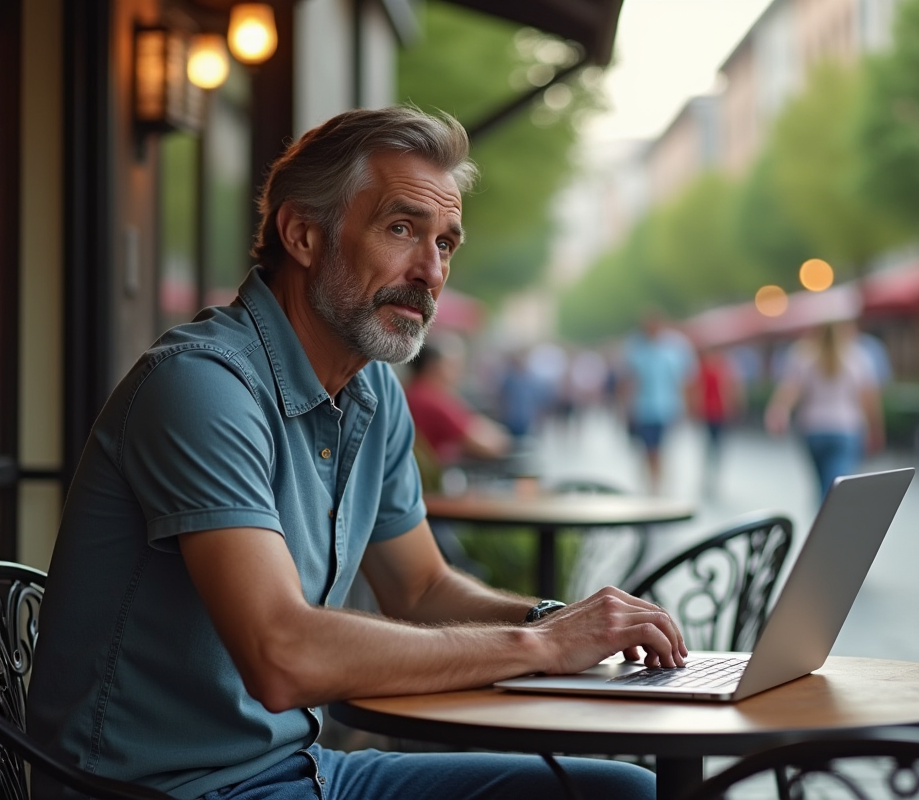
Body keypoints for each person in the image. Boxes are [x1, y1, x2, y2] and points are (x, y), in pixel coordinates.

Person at [26, 107, 681, 800]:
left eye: (445, 243)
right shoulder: (202, 386)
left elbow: (420, 589)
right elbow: (281, 654)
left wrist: (552, 620)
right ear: (303, 234)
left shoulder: (374, 393)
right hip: (165, 789)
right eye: (401, 229)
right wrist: (542, 649)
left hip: (300, 770)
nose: (430, 271)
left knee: (624, 793)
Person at [765, 322, 884, 499]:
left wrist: (777, 411)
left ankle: (823, 513)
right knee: (837, 488)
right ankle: (829, 514)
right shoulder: (858, 355)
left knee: (824, 485)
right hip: (846, 427)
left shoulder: (803, 355)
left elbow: (790, 390)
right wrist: (876, 429)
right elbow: (868, 398)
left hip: (812, 427)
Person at [405, 334, 511, 465]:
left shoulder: (409, 391)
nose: (460, 370)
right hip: (434, 473)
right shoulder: (433, 400)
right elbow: (487, 445)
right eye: (453, 364)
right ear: (433, 366)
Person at [620, 313, 697, 493]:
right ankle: (653, 483)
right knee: (649, 449)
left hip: (667, 408)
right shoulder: (635, 347)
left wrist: (686, 408)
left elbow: (684, 380)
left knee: (660, 449)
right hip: (643, 409)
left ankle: (656, 484)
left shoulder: (676, 347)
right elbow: (629, 380)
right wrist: (626, 407)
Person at [690, 345, 744, 493]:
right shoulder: (705, 368)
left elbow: (732, 388)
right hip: (708, 411)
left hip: (720, 412)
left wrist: (734, 406)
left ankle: (714, 475)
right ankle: (708, 475)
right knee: (710, 444)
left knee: (717, 444)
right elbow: (697, 389)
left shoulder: (724, 368)